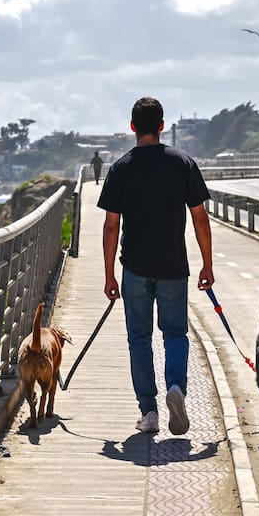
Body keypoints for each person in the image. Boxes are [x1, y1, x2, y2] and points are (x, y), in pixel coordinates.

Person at [99, 96, 214, 435]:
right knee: (176, 333)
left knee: (139, 338)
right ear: (162, 126)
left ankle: (149, 412)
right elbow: (200, 217)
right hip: (174, 267)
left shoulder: (121, 168)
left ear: (133, 127)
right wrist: (207, 264)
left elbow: (110, 225)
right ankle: (176, 387)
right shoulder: (183, 163)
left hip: (134, 268)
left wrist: (109, 274)